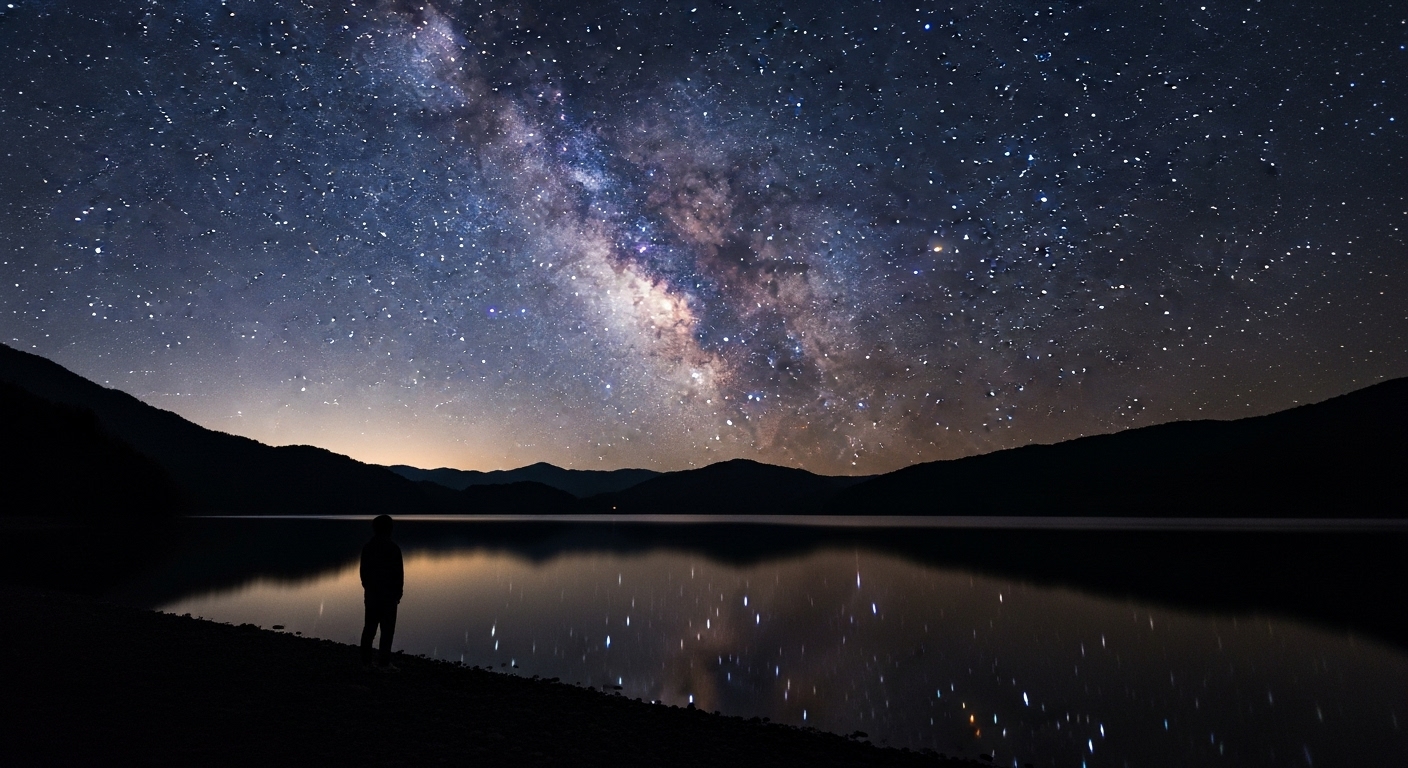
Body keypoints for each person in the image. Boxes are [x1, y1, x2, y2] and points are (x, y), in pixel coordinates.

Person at [359, 514, 404, 669]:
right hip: (388, 597)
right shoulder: (393, 549)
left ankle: (365, 661)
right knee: (387, 631)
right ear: (388, 529)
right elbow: (399, 574)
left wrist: (368, 588)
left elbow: (363, 573)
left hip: (372, 595)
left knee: (369, 629)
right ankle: (383, 663)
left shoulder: (368, 548)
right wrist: (398, 593)